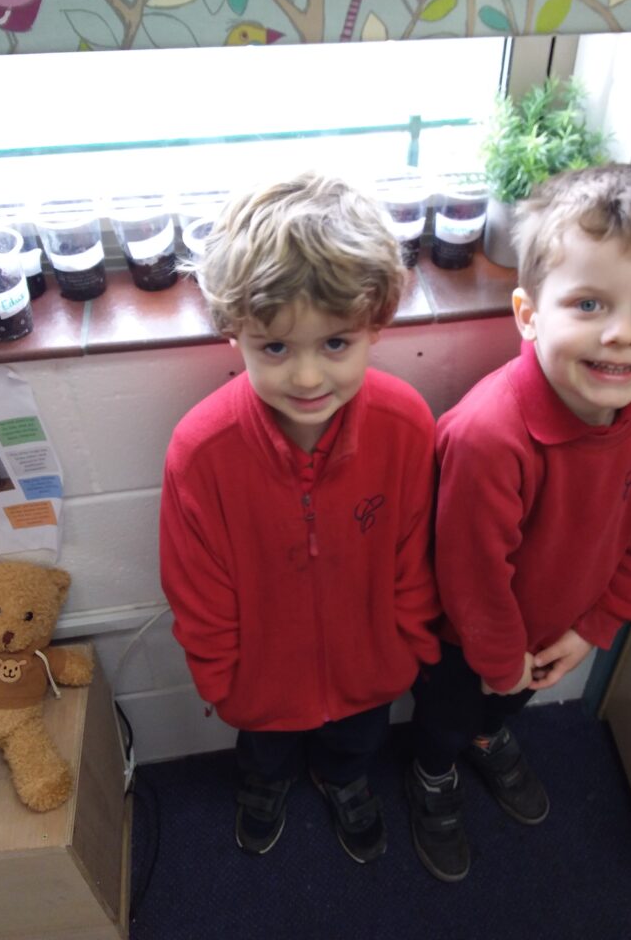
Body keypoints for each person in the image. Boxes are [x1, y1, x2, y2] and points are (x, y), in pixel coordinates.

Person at [406, 163, 631, 882]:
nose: (624, 335)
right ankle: (433, 773)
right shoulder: (491, 437)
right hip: (468, 639)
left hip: (557, 630)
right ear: (529, 313)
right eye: (591, 303)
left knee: (503, 708)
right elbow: (473, 579)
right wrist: (501, 665)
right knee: (447, 716)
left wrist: (594, 627)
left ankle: (487, 736)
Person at [160, 170, 441, 863]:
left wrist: (409, 645)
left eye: (335, 344)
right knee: (264, 750)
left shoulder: (406, 424)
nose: (308, 378)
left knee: (357, 742)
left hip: (372, 665)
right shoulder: (202, 453)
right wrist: (221, 679)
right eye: (276, 348)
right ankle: (265, 782)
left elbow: (416, 550)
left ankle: (343, 780)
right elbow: (195, 586)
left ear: (376, 326)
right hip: (259, 681)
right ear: (235, 335)